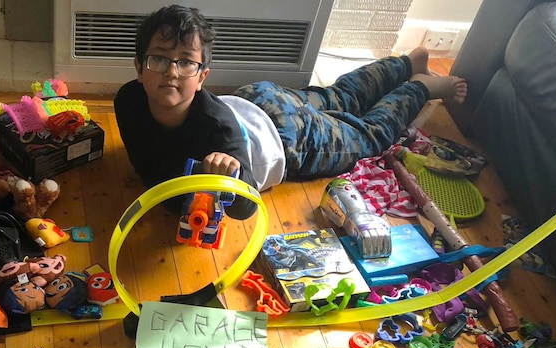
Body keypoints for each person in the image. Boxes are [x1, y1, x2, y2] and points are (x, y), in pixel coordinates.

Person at [114, 4, 467, 220]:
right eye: (158, 59)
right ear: (138, 67)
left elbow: (245, 208)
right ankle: (407, 62)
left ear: (203, 77)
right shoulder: (127, 100)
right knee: (338, 96)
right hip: (256, 98)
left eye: (186, 63)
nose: (171, 72)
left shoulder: (217, 130)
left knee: (368, 136)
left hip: (290, 139)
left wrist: (231, 179)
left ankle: (422, 86)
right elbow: (146, 160)